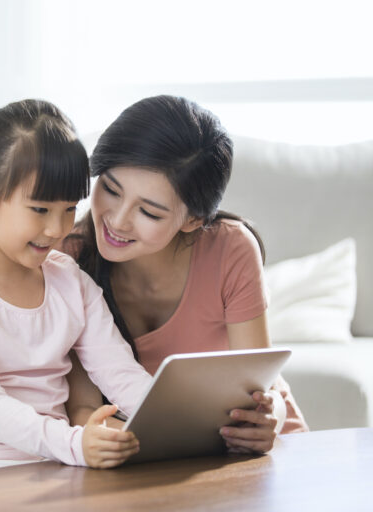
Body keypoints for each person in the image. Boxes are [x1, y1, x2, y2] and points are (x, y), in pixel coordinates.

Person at [0, 99, 155, 478]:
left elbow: (120, 373)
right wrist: (75, 443)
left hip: (56, 464)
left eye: (69, 209)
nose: (58, 229)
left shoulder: (71, 282)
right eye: (40, 210)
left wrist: (188, 424)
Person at [63, 95, 309, 454]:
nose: (116, 220)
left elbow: (264, 384)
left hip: (256, 446)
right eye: (110, 189)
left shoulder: (231, 249)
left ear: (194, 219)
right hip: (139, 453)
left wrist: (271, 413)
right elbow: (80, 410)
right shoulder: (67, 258)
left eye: (149, 212)